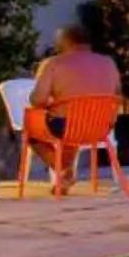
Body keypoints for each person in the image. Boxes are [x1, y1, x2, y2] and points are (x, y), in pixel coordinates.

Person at [27, 25, 120, 193]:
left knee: (31, 130)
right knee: (71, 132)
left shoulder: (53, 63)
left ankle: (63, 169)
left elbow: (37, 100)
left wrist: (51, 103)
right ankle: (64, 175)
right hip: (101, 128)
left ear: (64, 42)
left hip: (65, 126)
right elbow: (118, 94)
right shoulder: (108, 63)